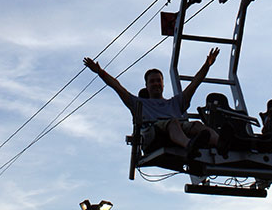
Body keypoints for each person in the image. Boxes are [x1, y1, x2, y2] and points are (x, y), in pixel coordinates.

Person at [83, 48, 220, 153]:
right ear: (147, 86)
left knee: (196, 125)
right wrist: (100, 71)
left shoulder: (175, 103)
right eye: (152, 82)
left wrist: (207, 65)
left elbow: (194, 84)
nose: (155, 84)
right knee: (172, 123)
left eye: (158, 81)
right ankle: (189, 145)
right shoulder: (139, 104)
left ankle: (222, 142)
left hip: (178, 129)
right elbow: (117, 86)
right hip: (154, 135)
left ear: (163, 84)